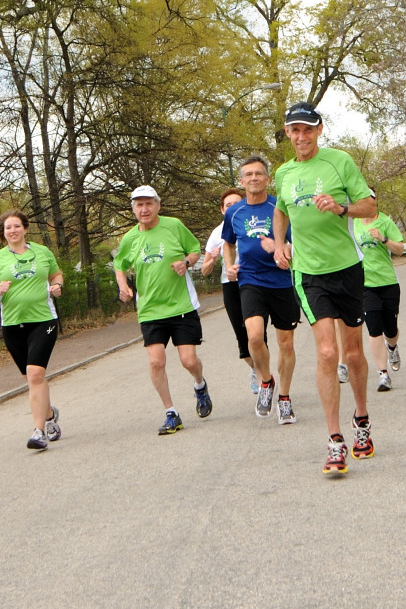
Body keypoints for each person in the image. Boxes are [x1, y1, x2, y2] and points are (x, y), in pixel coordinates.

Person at [271, 102, 376, 476]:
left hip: (347, 268)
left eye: (308, 129)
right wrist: (280, 242)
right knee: (327, 352)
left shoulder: (339, 162)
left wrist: (341, 207)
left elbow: (370, 207)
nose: (301, 136)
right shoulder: (283, 173)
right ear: (287, 134)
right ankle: (334, 440)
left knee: (353, 352)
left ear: (318, 130)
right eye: (294, 130)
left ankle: (361, 419)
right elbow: (281, 209)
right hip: (309, 273)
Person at [114, 185, 213, 435]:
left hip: (181, 305)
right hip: (149, 310)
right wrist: (123, 286)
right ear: (134, 209)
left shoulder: (173, 226)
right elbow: (120, 263)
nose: (144, 209)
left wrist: (186, 262)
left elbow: (194, 249)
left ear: (158, 205)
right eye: (139, 205)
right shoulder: (130, 238)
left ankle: (200, 386)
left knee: (188, 360)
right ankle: (171, 413)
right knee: (156, 361)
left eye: (149, 203)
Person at [221, 156, 301, 424]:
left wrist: (281, 248)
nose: (254, 178)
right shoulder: (234, 212)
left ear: (267, 179)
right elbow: (228, 244)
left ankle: (285, 398)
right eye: (248, 174)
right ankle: (266, 381)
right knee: (254, 337)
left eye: (259, 174)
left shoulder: (280, 207)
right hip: (250, 280)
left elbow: (295, 244)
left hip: (281, 281)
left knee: (286, 343)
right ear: (241, 181)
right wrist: (230, 267)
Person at [0, 210, 65, 450]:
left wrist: (57, 285)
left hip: (43, 320)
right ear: (3, 232)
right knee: (31, 377)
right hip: (12, 326)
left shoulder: (42, 252)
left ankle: (38, 432)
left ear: (25, 229)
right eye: (8, 227)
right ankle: (48, 414)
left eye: (17, 226)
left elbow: (56, 274)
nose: (13, 231)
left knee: (35, 373)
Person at [202, 188, 257, 393]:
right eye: (228, 205)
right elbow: (205, 270)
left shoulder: (252, 222)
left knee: (256, 333)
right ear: (222, 210)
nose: (232, 208)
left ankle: (264, 375)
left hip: (254, 281)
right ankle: (254, 368)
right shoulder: (217, 233)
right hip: (230, 284)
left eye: (236, 203)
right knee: (242, 335)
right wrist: (214, 259)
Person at [352, 191, 406, 392]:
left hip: (388, 281)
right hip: (365, 285)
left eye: (371, 200)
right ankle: (383, 374)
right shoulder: (353, 223)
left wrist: (384, 239)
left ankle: (392, 347)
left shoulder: (384, 221)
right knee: (374, 329)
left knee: (390, 329)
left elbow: (400, 249)